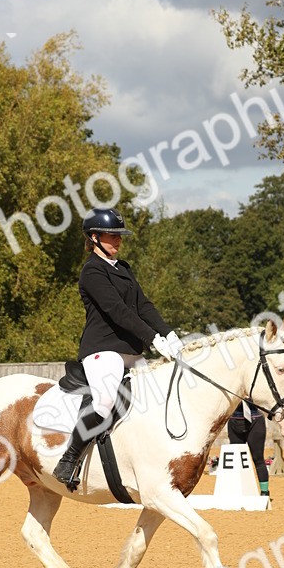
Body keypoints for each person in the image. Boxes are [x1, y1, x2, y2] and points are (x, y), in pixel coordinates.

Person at [53, 207, 183, 489]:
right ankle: (69, 459)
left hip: (131, 350)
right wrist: (153, 339)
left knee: (156, 397)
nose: (118, 240)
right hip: (103, 349)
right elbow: (117, 311)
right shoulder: (92, 271)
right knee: (104, 401)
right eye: (113, 236)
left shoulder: (123, 269)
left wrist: (169, 333)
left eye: (119, 236)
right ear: (95, 237)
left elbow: (143, 306)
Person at [227, 400, 270, 501]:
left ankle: (265, 492)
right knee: (236, 461)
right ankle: (237, 491)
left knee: (258, 458)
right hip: (234, 421)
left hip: (255, 420)